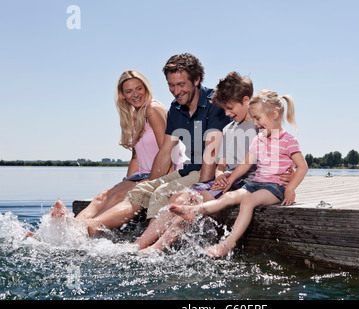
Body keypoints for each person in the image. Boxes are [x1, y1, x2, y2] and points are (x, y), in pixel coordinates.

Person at [50, 53, 231, 236]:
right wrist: (148, 185)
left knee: (156, 192)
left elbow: (210, 151)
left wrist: (200, 190)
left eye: (181, 85)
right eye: (171, 85)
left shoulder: (213, 103)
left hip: (211, 172)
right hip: (186, 170)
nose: (176, 91)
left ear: (197, 79)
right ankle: (79, 228)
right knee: (127, 192)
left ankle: (133, 239)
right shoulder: (175, 107)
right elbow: (162, 152)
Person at [135, 72, 293, 253]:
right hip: (229, 180)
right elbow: (221, 165)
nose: (226, 113)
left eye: (230, 107)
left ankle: (157, 248)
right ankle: (142, 244)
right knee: (179, 197)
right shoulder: (228, 129)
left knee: (192, 202)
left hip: (247, 183)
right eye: (223, 109)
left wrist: (288, 175)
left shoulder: (261, 127)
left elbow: (283, 157)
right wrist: (220, 176)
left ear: (246, 101)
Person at [169, 89, 309, 257]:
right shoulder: (259, 139)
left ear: (274, 114)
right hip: (255, 183)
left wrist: (290, 189)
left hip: (275, 188)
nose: (256, 124)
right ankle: (195, 210)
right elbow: (246, 163)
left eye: (258, 119)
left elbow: (303, 167)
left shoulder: (289, 140)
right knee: (228, 197)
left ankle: (228, 244)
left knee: (248, 201)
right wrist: (231, 179)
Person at [74, 70, 182, 221]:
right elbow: (136, 158)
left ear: (146, 88)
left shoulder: (152, 109)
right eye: (129, 91)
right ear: (122, 94)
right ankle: (71, 229)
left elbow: (167, 151)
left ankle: (85, 229)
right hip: (143, 175)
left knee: (119, 196)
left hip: (163, 173)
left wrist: (164, 186)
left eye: (139, 88)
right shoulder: (132, 116)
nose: (135, 94)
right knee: (103, 196)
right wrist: (125, 182)